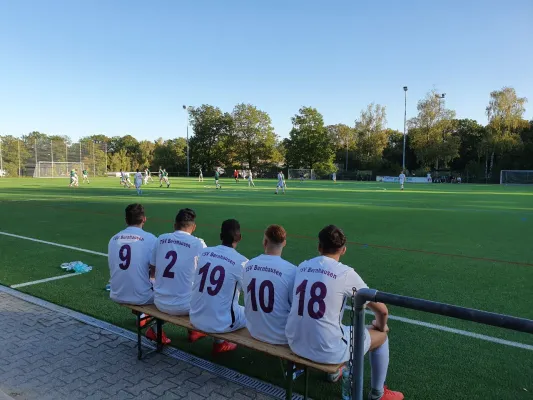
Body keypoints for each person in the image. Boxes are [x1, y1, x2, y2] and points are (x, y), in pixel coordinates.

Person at [285, 225, 403, 400]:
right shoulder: (345, 273)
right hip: (326, 350)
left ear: (319, 246)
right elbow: (382, 310)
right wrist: (381, 326)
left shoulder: (302, 266)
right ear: (344, 250)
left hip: (295, 342)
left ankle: (334, 373)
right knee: (381, 337)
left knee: (343, 328)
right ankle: (378, 393)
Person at [107, 204, 170, 344]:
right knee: (170, 292)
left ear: (126, 220)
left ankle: (145, 316)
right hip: (140, 296)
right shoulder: (150, 239)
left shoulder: (113, 238)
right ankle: (153, 327)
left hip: (117, 293)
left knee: (137, 277)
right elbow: (157, 270)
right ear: (144, 219)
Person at [190, 219, 247, 353]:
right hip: (220, 323)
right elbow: (248, 292)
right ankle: (220, 344)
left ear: (220, 236)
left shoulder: (204, 252)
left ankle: (200, 333)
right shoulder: (242, 261)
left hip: (195, 317)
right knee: (247, 312)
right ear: (239, 238)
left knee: (216, 299)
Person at [151, 209, 208, 341]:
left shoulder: (161, 239)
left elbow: (152, 270)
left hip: (159, 301)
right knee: (211, 290)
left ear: (174, 225)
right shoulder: (198, 243)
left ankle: (155, 328)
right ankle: (218, 341)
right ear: (193, 227)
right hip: (187, 306)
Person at [243, 225, 296, 344]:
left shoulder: (249, 264)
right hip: (282, 336)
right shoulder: (292, 270)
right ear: (284, 243)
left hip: (254, 331)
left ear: (264, 242)